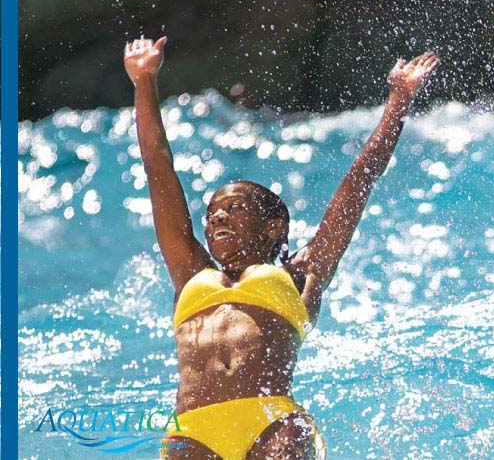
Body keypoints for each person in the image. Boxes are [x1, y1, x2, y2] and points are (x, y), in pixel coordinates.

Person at [125, 36, 439, 459]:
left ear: (273, 227)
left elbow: (360, 179)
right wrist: (144, 79)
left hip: (272, 423)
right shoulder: (190, 271)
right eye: (213, 212)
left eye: (234, 208)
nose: (217, 217)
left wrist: (399, 100)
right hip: (193, 432)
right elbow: (157, 165)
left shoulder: (301, 273)